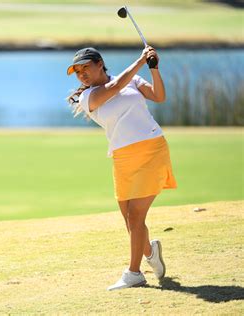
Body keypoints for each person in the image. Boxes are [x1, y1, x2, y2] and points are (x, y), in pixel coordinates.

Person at [66, 47, 177, 291]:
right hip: (122, 155)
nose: (82, 74)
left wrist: (153, 68)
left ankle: (134, 273)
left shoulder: (133, 80)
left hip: (151, 149)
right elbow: (114, 87)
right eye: (77, 71)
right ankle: (151, 252)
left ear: (99, 64)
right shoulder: (88, 97)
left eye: (86, 67)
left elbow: (159, 96)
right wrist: (140, 60)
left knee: (136, 216)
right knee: (129, 220)